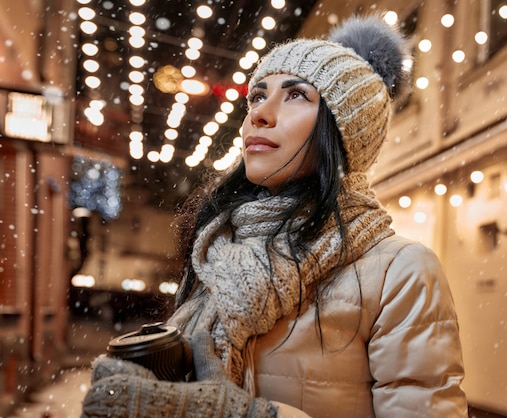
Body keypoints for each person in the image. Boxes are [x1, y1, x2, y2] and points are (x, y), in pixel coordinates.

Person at [82, 15, 468, 418]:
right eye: (256, 97)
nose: (259, 115)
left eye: (297, 95)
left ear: (343, 133)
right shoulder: (217, 248)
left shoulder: (399, 272)